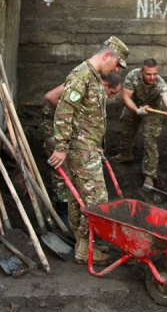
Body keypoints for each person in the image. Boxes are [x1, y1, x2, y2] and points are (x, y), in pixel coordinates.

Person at [49, 36, 129, 264]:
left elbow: (87, 116)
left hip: (88, 148)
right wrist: (62, 146)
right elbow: (64, 109)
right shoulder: (82, 75)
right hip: (80, 150)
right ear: (107, 56)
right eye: (116, 64)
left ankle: (83, 246)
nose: (115, 69)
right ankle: (85, 249)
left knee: (79, 200)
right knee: (97, 200)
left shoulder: (94, 77)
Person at [41, 72, 123, 227]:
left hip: (72, 129)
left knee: (74, 165)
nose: (111, 97)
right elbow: (50, 96)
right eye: (112, 93)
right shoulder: (82, 83)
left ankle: (75, 205)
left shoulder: (98, 93)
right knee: (61, 167)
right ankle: (62, 208)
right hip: (54, 127)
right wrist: (70, 115)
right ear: (105, 85)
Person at [111, 59, 167, 189]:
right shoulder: (133, 76)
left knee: (150, 140)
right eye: (149, 74)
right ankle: (126, 154)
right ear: (141, 71)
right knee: (126, 127)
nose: (152, 77)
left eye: (155, 73)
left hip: (153, 110)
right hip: (134, 106)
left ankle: (149, 174)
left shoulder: (160, 83)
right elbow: (126, 97)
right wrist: (137, 110)